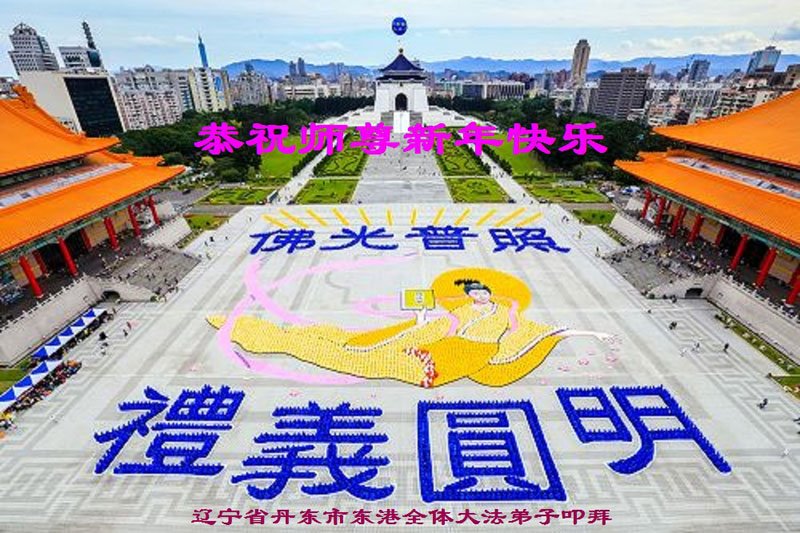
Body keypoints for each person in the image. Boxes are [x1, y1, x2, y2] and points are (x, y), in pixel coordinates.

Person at [208, 268, 616, 388]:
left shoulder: (507, 312)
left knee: (368, 360)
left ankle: (279, 338)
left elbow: (538, 331)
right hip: (446, 344)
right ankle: (281, 337)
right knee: (357, 345)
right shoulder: (461, 311)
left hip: (468, 355)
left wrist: (591, 335)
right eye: (473, 292)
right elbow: (442, 324)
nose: (477, 296)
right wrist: (416, 324)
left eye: (481, 291)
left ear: (490, 293)